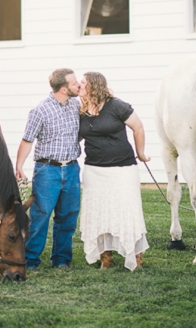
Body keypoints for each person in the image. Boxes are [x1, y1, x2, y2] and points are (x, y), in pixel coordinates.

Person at [77, 71, 150, 271]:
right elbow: (78, 137)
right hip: (94, 170)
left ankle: (135, 256)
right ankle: (105, 259)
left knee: (126, 211)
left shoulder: (116, 106)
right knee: (99, 214)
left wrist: (141, 153)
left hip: (123, 169)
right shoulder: (80, 110)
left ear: (94, 85)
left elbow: (138, 127)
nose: (79, 85)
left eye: (82, 83)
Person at [15, 68, 81, 269]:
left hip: (71, 169)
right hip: (47, 170)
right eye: (75, 83)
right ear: (63, 89)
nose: (79, 85)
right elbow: (27, 140)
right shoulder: (40, 110)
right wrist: (18, 165)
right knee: (40, 216)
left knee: (68, 215)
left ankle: (61, 259)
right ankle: (31, 258)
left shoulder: (76, 105)